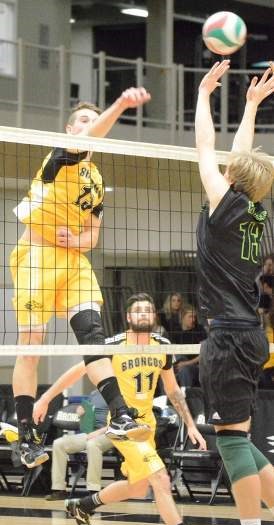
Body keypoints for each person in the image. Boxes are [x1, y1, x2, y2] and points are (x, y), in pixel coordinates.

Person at [10, 88, 152, 469]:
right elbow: (90, 137)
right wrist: (121, 105)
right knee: (32, 344)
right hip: (36, 259)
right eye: (85, 120)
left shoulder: (94, 178)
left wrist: (78, 239)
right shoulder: (60, 154)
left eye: (96, 119)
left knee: (93, 335)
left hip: (73, 262)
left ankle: (120, 413)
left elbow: (93, 235)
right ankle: (26, 436)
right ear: (70, 130)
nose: (91, 126)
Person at [34, 293, 220, 525]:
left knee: (138, 487)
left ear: (154, 317)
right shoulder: (112, 344)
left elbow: (172, 391)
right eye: (138, 311)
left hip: (148, 425)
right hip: (124, 426)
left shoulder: (162, 346)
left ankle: (83, 505)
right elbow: (78, 371)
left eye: (148, 310)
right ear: (129, 318)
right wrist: (46, 398)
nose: (143, 314)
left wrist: (191, 425)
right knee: (160, 480)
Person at [195, 60, 274, 525]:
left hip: (227, 336)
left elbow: (206, 149)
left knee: (230, 442)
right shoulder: (258, 214)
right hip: (252, 336)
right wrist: (248, 108)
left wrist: (204, 95)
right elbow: (235, 159)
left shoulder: (225, 206)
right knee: (243, 440)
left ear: (231, 179)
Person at [41, 390, 112, 500]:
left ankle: (93, 490)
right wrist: (81, 412)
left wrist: (98, 432)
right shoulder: (94, 394)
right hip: (90, 433)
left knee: (92, 444)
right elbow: (86, 410)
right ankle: (59, 489)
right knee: (59, 444)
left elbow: (120, 422)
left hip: (110, 434)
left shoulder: (118, 393)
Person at [174, 305, 207, 388]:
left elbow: (204, 353)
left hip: (197, 365)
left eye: (194, 317)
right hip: (180, 362)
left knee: (184, 369)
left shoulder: (199, 329)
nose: (193, 320)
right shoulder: (176, 331)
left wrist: (186, 363)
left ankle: (187, 396)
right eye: (190, 317)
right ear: (182, 317)